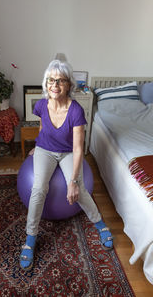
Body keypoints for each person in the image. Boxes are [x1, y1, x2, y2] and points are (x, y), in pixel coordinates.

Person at [20, 59, 113, 271]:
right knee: (38, 188)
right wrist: (37, 146)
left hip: (68, 152)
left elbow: (79, 148)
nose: (55, 84)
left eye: (60, 80)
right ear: (46, 83)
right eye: (51, 80)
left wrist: (72, 181)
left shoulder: (76, 111)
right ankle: (31, 238)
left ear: (68, 84)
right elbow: (43, 126)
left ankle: (99, 223)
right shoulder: (41, 105)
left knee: (79, 190)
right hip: (45, 150)